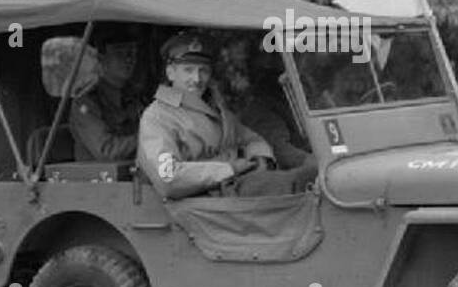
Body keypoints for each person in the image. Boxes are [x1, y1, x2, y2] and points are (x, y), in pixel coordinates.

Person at [138, 32, 318, 200]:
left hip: (231, 191)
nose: (197, 79)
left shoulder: (215, 109)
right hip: (201, 198)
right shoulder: (158, 117)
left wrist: (261, 159)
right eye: (188, 70)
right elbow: (168, 177)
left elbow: (251, 138)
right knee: (298, 183)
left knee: (312, 176)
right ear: (170, 72)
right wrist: (229, 169)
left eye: (203, 71)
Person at [70, 32, 141, 162]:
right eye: (119, 53)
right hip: (100, 178)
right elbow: (107, 151)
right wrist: (147, 138)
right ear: (101, 59)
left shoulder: (136, 95)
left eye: (132, 53)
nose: (129, 59)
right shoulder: (86, 102)